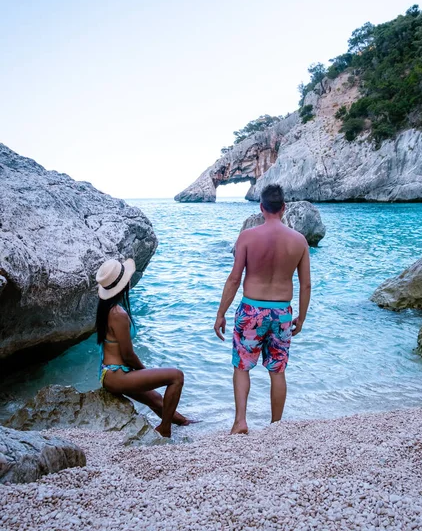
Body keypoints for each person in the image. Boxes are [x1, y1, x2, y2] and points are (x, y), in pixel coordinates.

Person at [214, 184, 311, 434]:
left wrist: (220, 313)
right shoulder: (299, 241)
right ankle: (276, 427)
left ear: (261, 207)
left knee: (242, 367)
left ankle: (240, 422)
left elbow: (234, 279)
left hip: (251, 311)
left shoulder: (247, 237)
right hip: (282, 313)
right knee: (277, 370)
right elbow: (306, 284)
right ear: (284, 208)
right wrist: (302, 317)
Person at [95, 258, 192, 438]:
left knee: (156, 399)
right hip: (116, 376)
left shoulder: (107, 307)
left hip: (110, 373)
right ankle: (164, 429)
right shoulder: (118, 314)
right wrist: (144, 371)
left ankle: (185, 422)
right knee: (176, 376)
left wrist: (143, 377)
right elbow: (127, 354)